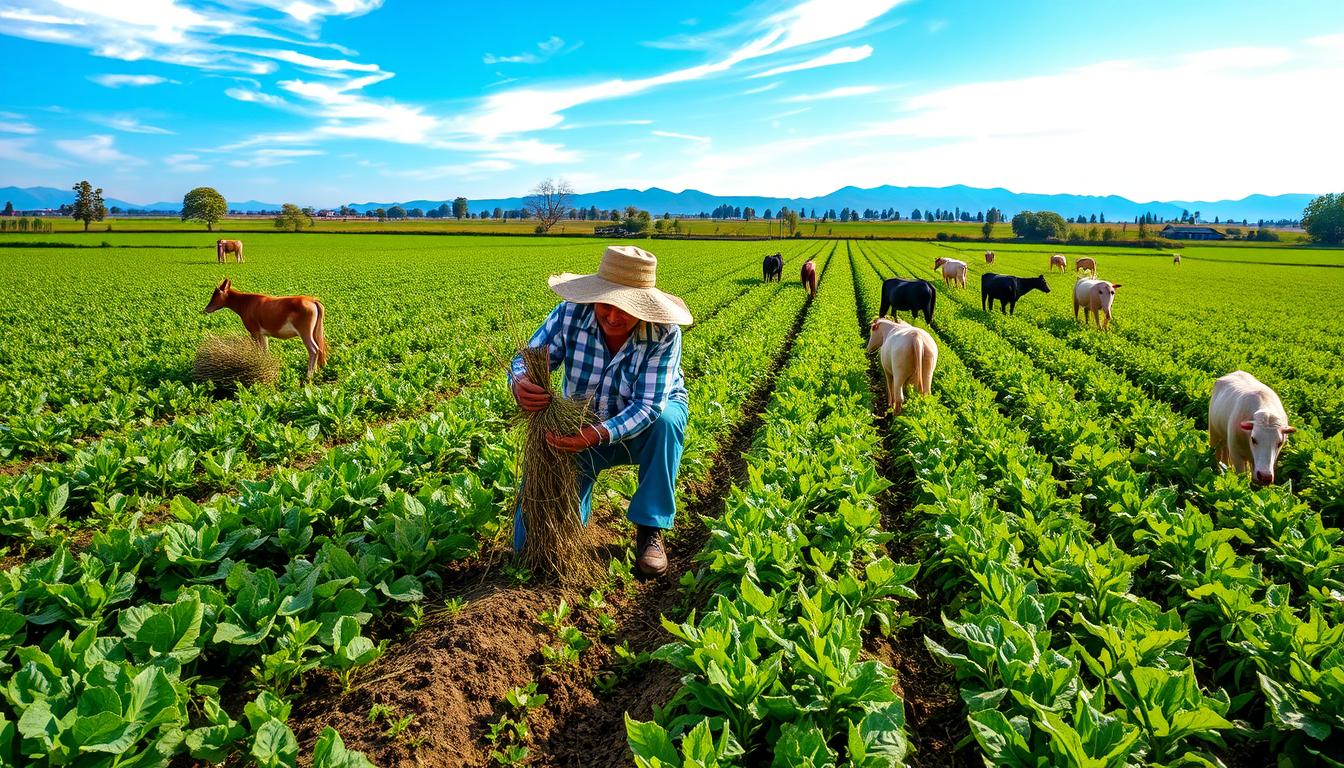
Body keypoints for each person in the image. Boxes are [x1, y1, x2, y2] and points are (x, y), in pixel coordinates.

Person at [510, 245, 693, 577]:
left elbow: (649, 406)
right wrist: (520, 380)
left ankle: (650, 527)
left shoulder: (664, 334)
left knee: (667, 420)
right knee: (528, 544)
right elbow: (526, 357)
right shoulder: (571, 313)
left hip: (643, 426)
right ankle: (567, 526)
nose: (612, 316)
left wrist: (597, 435)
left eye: (625, 308)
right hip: (580, 421)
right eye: (605, 303)